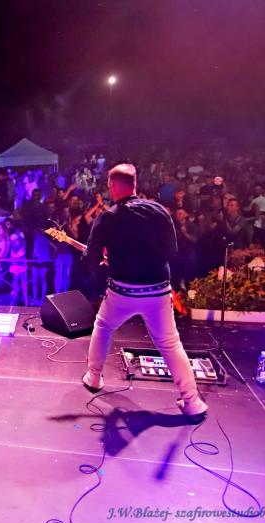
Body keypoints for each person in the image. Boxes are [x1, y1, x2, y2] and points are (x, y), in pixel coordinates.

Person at [82, 164, 208, 421]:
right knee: (170, 343)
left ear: (113, 186)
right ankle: (192, 401)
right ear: (134, 184)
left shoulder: (107, 217)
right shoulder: (159, 211)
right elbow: (171, 252)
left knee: (103, 326)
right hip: (158, 290)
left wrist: (107, 262)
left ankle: (94, 377)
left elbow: (91, 258)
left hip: (122, 291)